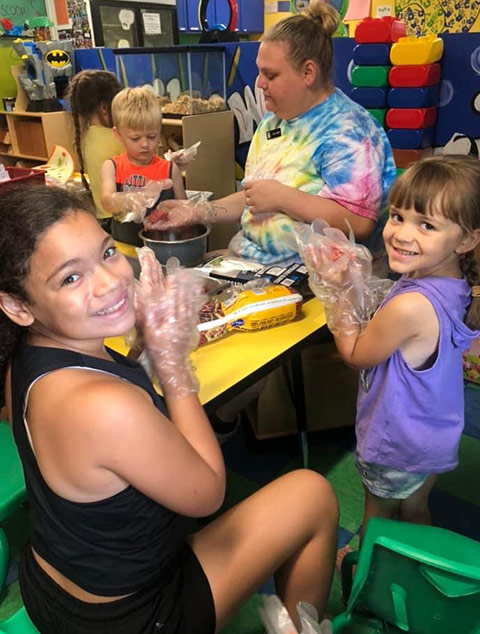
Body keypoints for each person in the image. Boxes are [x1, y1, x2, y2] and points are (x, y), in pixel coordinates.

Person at [0, 184, 339, 634]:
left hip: (51, 584)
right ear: (18, 305)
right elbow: (207, 494)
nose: (110, 281)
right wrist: (173, 366)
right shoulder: (104, 407)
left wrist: (144, 349)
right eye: (70, 278)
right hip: (130, 617)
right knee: (312, 494)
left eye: (105, 253)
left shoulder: (22, 355)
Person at [300, 155, 480, 546]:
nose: (401, 233)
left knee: (376, 522)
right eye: (398, 216)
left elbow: (356, 353)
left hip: (394, 441)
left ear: (466, 239)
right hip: (433, 433)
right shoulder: (454, 283)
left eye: (426, 225)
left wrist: (335, 292)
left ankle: (363, 577)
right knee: (415, 509)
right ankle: (418, 569)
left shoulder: (411, 305)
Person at [149, 0, 396, 267]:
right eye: (259, 72)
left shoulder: (350, 131)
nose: (259, 83)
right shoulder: (273, 121)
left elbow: (359, 223)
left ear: (308, 72)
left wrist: (283, 197)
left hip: (308, 279)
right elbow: (254, 197)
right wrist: (197, 211)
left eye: (271, 74)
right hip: (249, 263)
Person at [101, 86, 186, 246]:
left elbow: (183, 209)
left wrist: (170, 213)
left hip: (162, 246)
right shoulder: (112, 166)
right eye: (135, 138)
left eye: (152, 136)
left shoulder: (169, 169)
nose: (145, 144)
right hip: (126, 248)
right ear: (117, 134)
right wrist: (128, 199)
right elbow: (106, 201)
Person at [67, 70, 124, 227]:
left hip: (102, 217)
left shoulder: (86, 137)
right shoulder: (115, 138)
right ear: (104, 108)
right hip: (120, 217)